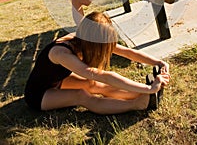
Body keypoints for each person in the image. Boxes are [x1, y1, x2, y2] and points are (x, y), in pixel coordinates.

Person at [24, 11, 170, 114]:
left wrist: (159, 62)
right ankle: (137, 104)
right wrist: (149, 89)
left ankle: (143, 96)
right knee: (82, 95)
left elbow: (127, 52)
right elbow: (102, 75)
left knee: (92, 85)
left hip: (56, 82)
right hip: (39, 94)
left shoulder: (84, 39)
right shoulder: (61, 53)